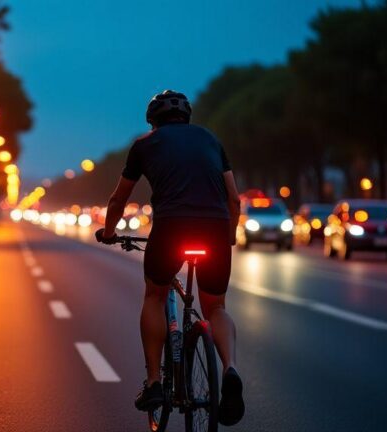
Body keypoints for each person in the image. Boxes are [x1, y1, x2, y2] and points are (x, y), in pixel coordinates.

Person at [95, 90, 244, 426]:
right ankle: (230, 367)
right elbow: (234, 200)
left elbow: (119, 199)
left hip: (172, 225)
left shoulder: (145, 144)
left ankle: (153, 384)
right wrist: (230, 236)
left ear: (153, 120)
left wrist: (108, 232)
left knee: (155, 293)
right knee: (216, 307)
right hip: (215, 226)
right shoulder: (210, 139)